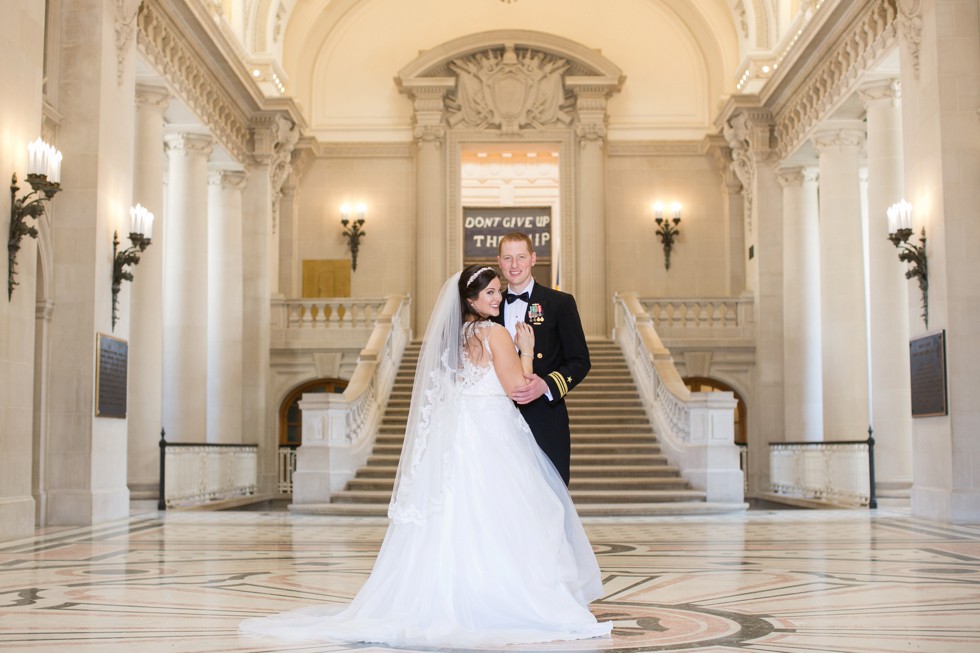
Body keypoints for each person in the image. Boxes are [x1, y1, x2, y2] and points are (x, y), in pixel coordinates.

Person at [239, 265, 611, 647]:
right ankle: (501, 597)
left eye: (499, 292)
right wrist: (528, 351)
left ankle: (451, 595)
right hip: (494, 433)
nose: (498, 299)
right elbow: (518, 388)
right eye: (490, 294)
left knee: (455, 515)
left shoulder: (456, 336)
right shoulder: (497, 333)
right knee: (508, 514)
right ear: (471, 300)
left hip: (459, 434)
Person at [492, 232, 590, 485]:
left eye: (521, 257)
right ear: (499, 262)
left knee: (550, 496)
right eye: (508, 258)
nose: (515, 265)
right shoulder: (489, 309)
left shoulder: (560, 303)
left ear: (533, 259)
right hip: (498, 419)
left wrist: (546, 385)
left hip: (546, 416)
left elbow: (579, 360)